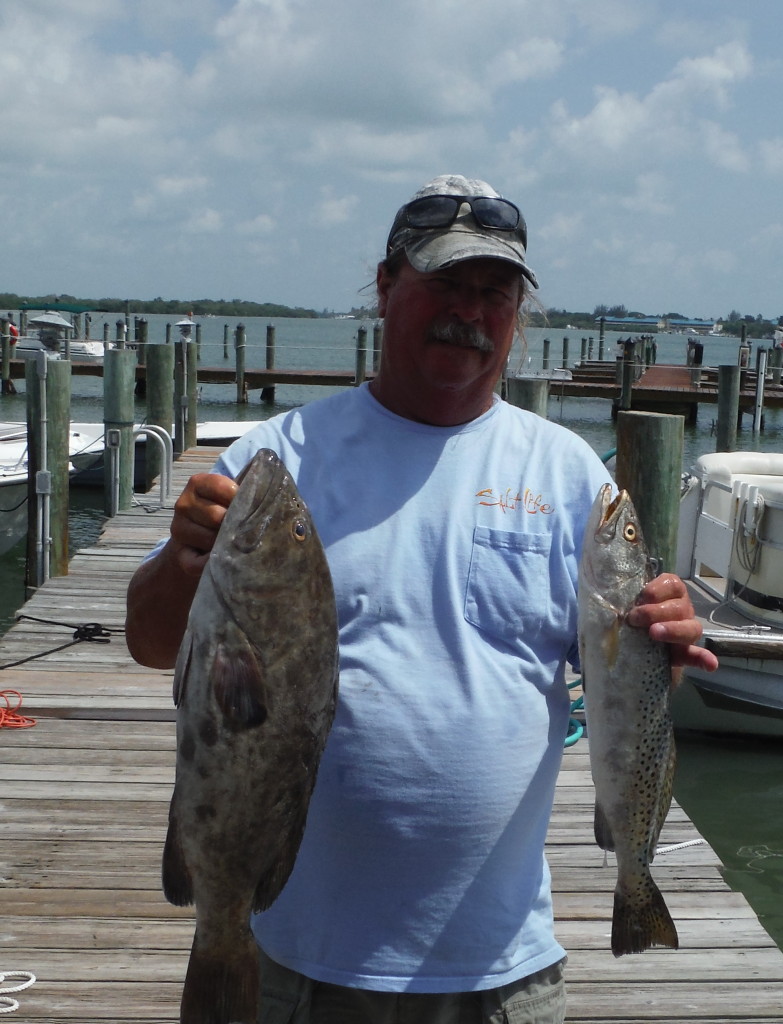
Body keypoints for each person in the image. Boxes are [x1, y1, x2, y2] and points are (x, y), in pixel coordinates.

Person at [126, 174, 718, 1024]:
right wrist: (185, 558)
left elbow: (621, 678)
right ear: (385, 285)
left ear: (518, 313)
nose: (469, 312)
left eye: (494, 293)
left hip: (501, 971)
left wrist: (665, 648)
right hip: (296, 960)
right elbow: (151, 642)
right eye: (446, 283)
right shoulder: (279, 459)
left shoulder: (566, 474)